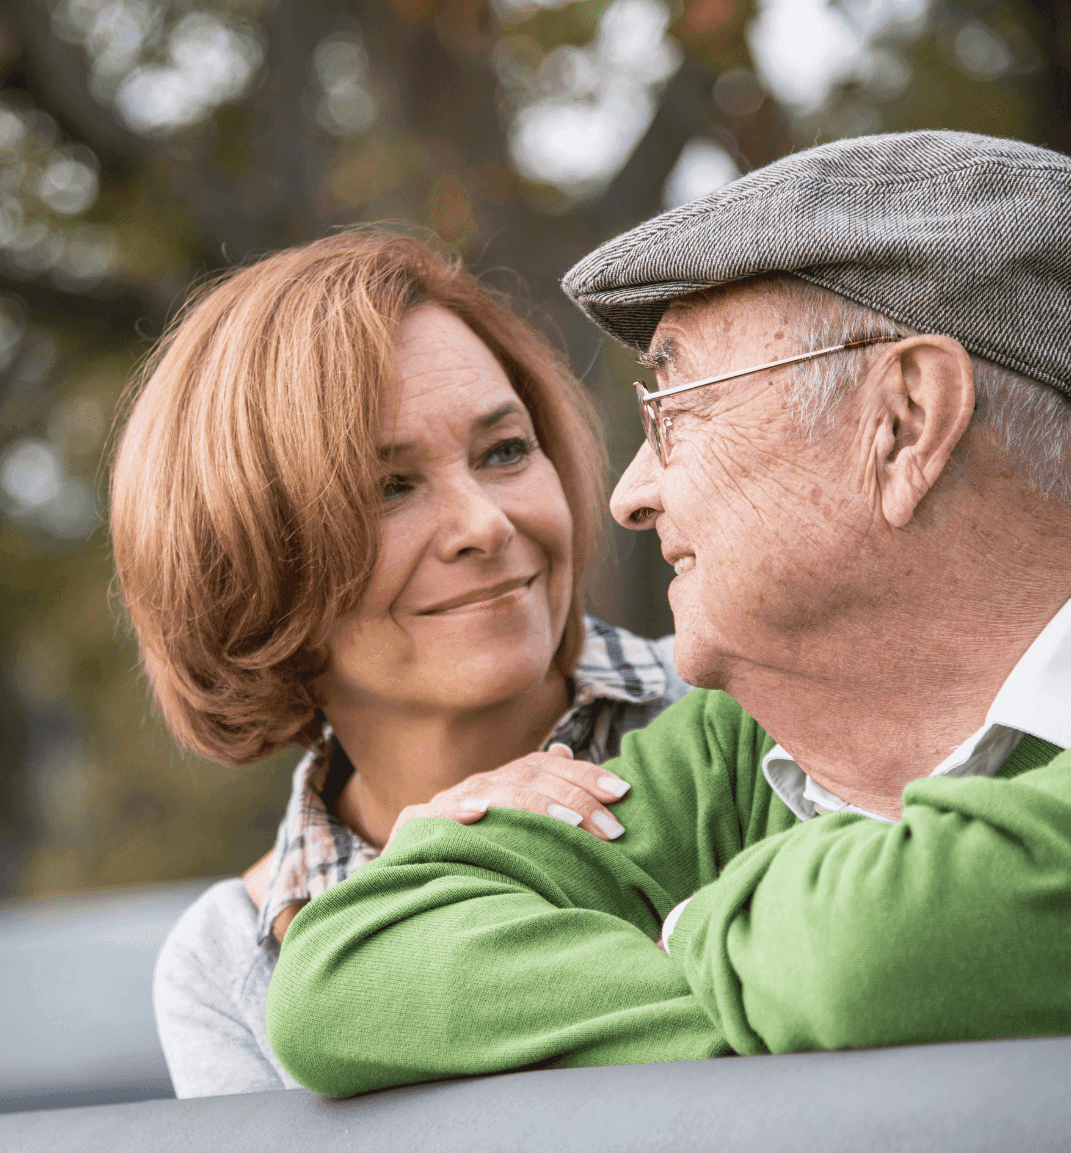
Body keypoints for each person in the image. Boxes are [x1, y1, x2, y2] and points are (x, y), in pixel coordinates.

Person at [265, 129, 1071, 1097]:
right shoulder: (744, 746)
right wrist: (797, 980)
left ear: (902, 422)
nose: (628, 495)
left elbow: (881, 956)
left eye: (676, 411)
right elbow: (346, 973)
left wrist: (692, 924)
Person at [109, 233, 690, 1098]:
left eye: (503, 452)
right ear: (252, 565)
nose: (484, 525)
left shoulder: (754, 701)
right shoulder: (232, 962)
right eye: (388, 489)